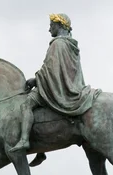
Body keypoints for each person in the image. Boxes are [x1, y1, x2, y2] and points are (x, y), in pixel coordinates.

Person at [9, 13, 99, 160]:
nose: (49, 29)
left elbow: (50, 69)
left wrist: (35, 79)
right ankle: (41, 150)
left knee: (26, 105)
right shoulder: (71, 44)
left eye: (51, 26)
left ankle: (25, 140)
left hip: (58, 88)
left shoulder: (57, 44)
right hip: (69, 86)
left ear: (59, 25)